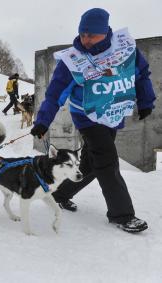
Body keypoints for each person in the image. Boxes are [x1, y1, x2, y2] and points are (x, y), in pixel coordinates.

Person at [31, 8, 156, 233]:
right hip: (87, 117)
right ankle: (122, 215)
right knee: (107, 161)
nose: (86, 40)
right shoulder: (72, 61)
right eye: (82, 34)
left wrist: (146, 101)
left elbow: (140, 75)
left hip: (113, 114)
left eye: (92, 35)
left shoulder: (125, 49)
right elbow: (55, 93)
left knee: (91, 162)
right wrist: (43, 121)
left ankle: (59, 195)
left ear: (105, 33)